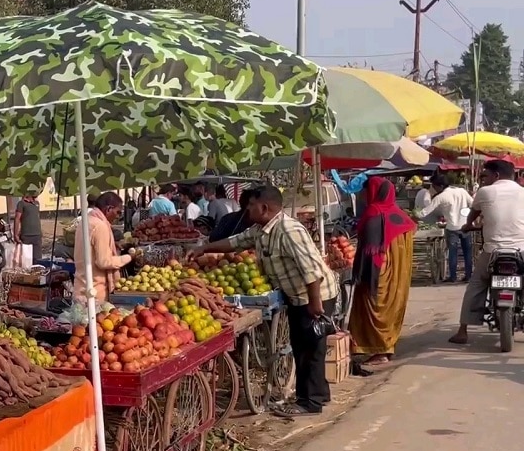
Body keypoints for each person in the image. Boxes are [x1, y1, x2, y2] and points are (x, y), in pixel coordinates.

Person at [189, 186, 339, 417]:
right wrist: (205, 248)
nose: (247, 210)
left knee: (309, 349)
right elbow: (236, 242)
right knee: (305, 347)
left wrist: (315, 303)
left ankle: (310, 402)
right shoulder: (261, 230)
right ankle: (317, 394)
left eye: (250, 206)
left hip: (313, 294)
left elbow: (312, 270)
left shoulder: (289, 230)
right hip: (298, 295)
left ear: (264, 207)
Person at [449, 160, 524, 345]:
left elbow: (472, 215)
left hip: (493, 251)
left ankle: (463, 331)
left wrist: (467, 226)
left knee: (476, 284)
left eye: (485, 175)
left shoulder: (485, 192)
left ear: (496, 176)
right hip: (521, 250)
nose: (484, 180)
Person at [348, 177, 416, 366]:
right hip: (396, 278)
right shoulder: (401, 216)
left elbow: (371, 251)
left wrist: (361, 274)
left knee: (374, 306)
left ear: (373, 192)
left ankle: (379, 351)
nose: (362, 195)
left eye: (364, 191)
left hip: (378, 273)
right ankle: (386, 347)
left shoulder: (374, 212)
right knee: (389, 308)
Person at [74, 192, 132, 301]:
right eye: (118, 212)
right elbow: (103, 262)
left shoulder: (85, 221)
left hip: (81, 288)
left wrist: (112, 246)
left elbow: (90, 248)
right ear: (109, 209)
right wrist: (129, 257)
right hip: (94, 294)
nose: (118, 217)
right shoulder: (100, 226)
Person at [418, 175, 474, 282]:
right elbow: (473, 204)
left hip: (452, 227)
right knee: (467, 252)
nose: (434, 189)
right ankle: (468, 275)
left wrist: (415, 215)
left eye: (435, 186)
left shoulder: (441, 196)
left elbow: (427, 210)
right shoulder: (462, 191)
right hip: (465, 226)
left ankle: (453, 277)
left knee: (452, 253)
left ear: (441, 186)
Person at [13, 195, 43, 261]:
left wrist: (40, 233)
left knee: (38, 260)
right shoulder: (21, 203)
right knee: (26, 260)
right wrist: (15, 234)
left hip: (37, 235)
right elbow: (17, 218)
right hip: (26, 236)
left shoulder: (37, 204)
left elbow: (37, 217)